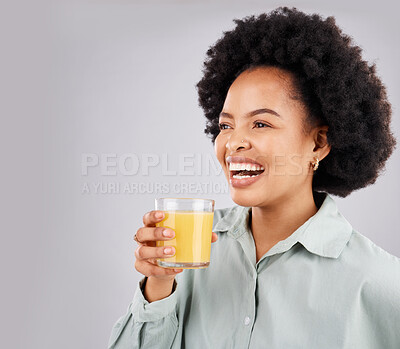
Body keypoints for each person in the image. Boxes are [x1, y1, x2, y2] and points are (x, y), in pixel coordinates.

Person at [108, 7, 400, 349]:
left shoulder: (381, 284)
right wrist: (157, 285)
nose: (233, 142)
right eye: (225, 126)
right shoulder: (188, 250)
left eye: (260, 123)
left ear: (319, 143)